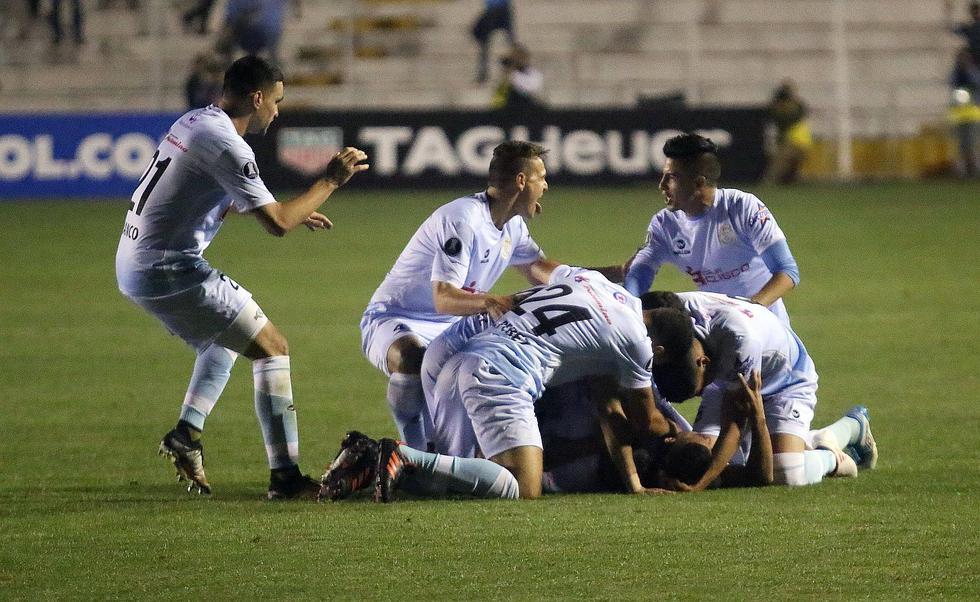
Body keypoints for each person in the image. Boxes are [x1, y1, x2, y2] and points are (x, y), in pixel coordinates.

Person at [115, 55, 369, 499]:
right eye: (276, 100)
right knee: (273, 348)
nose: (277, 110)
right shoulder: (230, 144)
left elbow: (198, 192)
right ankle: (286, 479)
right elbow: (278, 225)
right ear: (257, 98)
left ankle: (187, 434)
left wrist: (286, 209)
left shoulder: (196, 121)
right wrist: (330, 180)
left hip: (134, 259)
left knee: (226, 341)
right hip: (167, 267)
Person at [384, 266, 677, 500]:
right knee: (523, 485)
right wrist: (676, 430)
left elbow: (547, 270)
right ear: (658, 348)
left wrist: (634, 485)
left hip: (463, 353)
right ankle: (404, 455)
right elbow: (644, 419)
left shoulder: (593, 281)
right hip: (501, 373)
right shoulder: (637, 340)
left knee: (448, 482)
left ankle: (374, 462)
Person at [360, 141, 559, 451]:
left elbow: (539, 269)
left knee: (487, 363)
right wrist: (492, 301)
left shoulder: (512, 225)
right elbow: (444, 298)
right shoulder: (463, 220)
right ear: (522, 181)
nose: (546, 186)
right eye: (542, 177)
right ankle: (413, 455)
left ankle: (450, 453)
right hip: (396, 317)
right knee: (411, 358)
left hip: (452, 324)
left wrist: (599, 278)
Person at [645, 291, 877, 491]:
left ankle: (836, 447)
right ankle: (809, 438)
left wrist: (700, 485)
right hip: (730, 376)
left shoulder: (739, 341)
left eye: (699, 389)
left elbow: (733, 427)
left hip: (786, 379)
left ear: (702, 362)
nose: (700, 394)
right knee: (707, 456)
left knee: (785, 472)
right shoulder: (673, 317)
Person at [604, 133, 801, 325]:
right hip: (720, 327)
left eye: (671, 177)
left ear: (698, 182)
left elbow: (787, 272)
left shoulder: (742, 207)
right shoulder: (664, 225)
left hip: (768, 326)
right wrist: (630, 311)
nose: (662, 185)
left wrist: (750, 310)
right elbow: (638, 274)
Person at [762, 80, 812, 185]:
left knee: (779, 164)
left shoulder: (793, 109)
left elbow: (782, 120)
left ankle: (769, 182)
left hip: (794, 140)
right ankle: (790, 181)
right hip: (802, 141)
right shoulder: (797, 106)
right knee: (791, 165)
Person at [949, 47, 980, 177]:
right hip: (958, 116)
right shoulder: (955, 74)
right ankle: (961, 170)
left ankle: (975, 168)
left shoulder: (972, 72)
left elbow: (976, 82)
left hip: (971, 115)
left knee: (972, 143)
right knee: (960, 145)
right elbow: (951, 83)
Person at [490, 44, 544, 113]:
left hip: (527, 107)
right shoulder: (506, 72)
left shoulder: (534, 74)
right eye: (515, 57)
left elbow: (531, 88)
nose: (518, 60)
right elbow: (497, 87)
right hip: (507, 108)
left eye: (520, 57)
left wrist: (513, 73)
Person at [472, 0, 514, 83]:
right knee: (509, 42)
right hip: (497, 10)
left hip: (497, 9)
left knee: (509, 44)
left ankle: (483, 75)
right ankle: (483, 74)